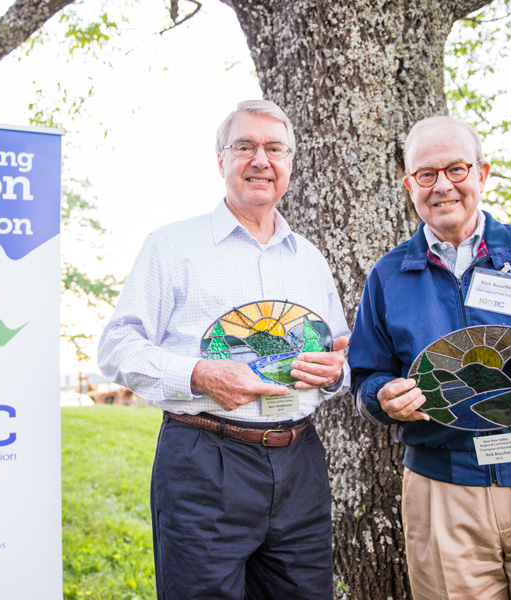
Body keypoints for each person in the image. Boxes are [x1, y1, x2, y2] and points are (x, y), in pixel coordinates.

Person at [98, 99, 350, 599]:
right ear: (221, 160)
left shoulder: (311, 260)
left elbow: (338, 360)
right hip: (204, 461)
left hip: (300, 461)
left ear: (290, 163)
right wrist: (197, 375)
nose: (261, 160)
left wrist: (334, 372)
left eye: (275, 148)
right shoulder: (171, 246)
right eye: (245, 147)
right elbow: (116, 345)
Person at [349, 115, 511, 600]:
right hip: (442, 491)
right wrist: (381, 396)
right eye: (426, 174)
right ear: (409, 185)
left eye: (456, 169)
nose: (442, 186)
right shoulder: (388, 276)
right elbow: (365, 377)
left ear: (482, 174)